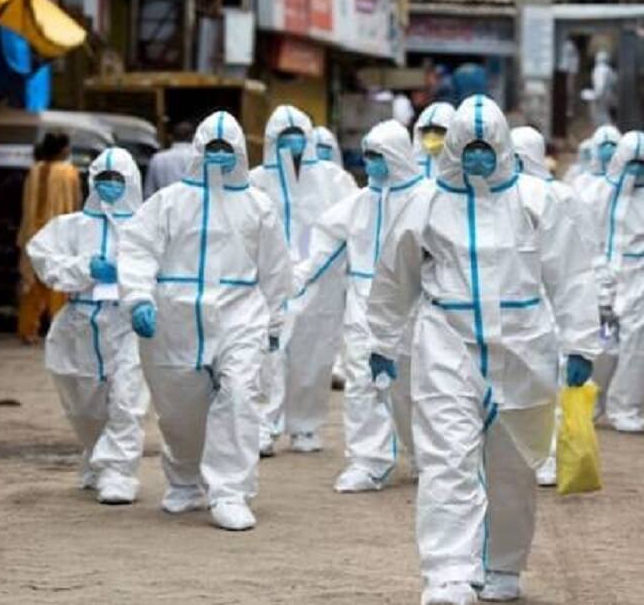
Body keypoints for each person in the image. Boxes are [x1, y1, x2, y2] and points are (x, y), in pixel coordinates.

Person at [365, 96, 600, 604]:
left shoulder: (538, 199)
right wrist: (382, 339)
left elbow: (571, 273)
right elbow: (394, 275)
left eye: (485, 147)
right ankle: (449, 574)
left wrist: (581, 341)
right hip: (446, 343)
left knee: (513, 465)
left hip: (523, 346)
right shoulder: (425, 201)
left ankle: (503, 564)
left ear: (502, 147)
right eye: (467, 146)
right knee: (446, 458)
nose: (476, 156)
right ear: (452, 147)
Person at [119, 111, 291, 531]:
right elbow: (138, 248)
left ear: (239, 152)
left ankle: (230, 492)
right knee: (180, 411)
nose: (218, 155)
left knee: (239, 397)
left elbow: (276, 268)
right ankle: (184, 481)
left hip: (239, 315)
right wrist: (138, 298)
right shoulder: (168, 202)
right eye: (211, 148)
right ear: (198, 150)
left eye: (225, 148)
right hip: (175, 319)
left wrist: (274, 323)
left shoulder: (257, 205)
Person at [293, 120, 423, 492]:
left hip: (415, 303)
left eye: (379, 155)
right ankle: (368, 461)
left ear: (397, 155)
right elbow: (324, 243)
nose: (372, 163)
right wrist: (296, 280)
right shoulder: (359, 204)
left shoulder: (427, 200)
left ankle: (425, 455)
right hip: (363, 302)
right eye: (368, 155)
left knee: (415, 385)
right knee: (362, 382)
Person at [25, 147, 150, 505]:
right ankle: (97, 454)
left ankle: (120, 472)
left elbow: (167, 266)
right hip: (81, 321)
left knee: (127, 398)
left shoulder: (147, 227)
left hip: (127, 321)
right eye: (104, 178)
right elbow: (42, 257)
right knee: (84, 404)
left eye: (117, 178)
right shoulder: (71, 227)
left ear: (131, 181)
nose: (110, 184)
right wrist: (85, 268)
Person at [250, 106, 357, 456]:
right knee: (267, 353)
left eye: (298, 135)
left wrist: (314, 268)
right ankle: (264, 426)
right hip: (269, 283)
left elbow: (346, 227)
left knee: (314, 355)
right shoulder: (255, 181)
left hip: (320, 282)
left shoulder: (335, 180)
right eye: (285, 136)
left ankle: (305, 426)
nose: (293, 142)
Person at [512, 124, 597, 486]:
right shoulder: (501, 198)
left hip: (556, 298)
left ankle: (549, 454)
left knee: (552, 382)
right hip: (523, 301)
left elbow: (581, 254)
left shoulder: (560, 197)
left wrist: (584, 325)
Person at [583, 130, 644, 434]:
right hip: (602, 281)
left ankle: (626, 408)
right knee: (603, 345)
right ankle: (592, 402)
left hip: (640, 282)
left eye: (642, 163)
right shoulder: (595, 194)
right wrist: (597, 278)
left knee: (638, 347)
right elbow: (584, 238)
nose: (636, 169)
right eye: (631, 162)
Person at [17, 132, 83, 344]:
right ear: (63, 149)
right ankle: (58, 330)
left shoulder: (34, 171)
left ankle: (28, 330)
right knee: (58, 285)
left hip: (33, 234)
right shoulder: (69, 173)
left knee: (33, 285)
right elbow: (76, 205)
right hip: (58, 235)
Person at [144, 121, 196, 198]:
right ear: (193, 137)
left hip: (163, 203)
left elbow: (149, 192)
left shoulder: (157, 158)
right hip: (193, 203)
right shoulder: (199, 157)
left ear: (170, 137)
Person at [412, 102, 455, 179]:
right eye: (426, 130)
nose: (432, 135)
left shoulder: (461, 166)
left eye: (439, 130)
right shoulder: (411, 165)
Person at [590, 51, 618, 126]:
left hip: (601, 96)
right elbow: (615, 82)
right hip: (609, 95)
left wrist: (597, 95)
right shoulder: (610, 70)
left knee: (601, 115)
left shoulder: (599, 69)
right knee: (606, 114)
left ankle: (606, 128)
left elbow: (600, 84)